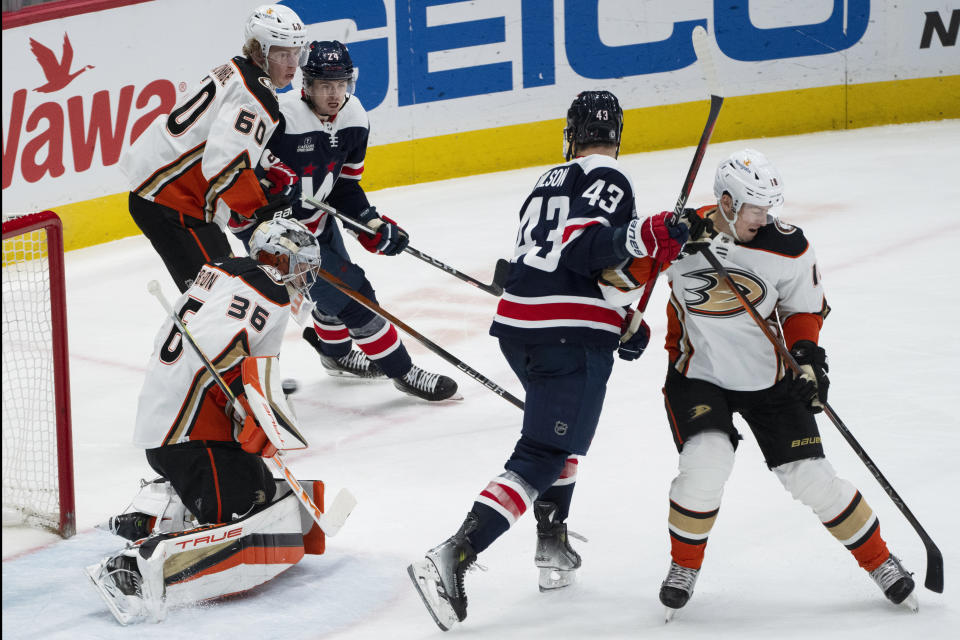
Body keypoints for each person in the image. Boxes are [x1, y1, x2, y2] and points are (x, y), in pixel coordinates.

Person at [406, 90, 690, 631]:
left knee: (558, 437)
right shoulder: (611, 178)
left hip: (520, 328)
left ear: (571, 133)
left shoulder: (547, 179)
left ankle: (552, 547)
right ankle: (451, 556)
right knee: (542, 451)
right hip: (565, 336)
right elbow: (589, 252)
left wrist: (624, 318)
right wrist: (645, 235)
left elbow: (577, 272)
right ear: (617, 136)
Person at [640, 149, 918, 618]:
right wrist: (653, 258)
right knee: (706, 465)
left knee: (812, 478)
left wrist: (808, 359)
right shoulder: (679, 238)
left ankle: (881, 562)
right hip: (698, 375)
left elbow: (803, 307)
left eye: (768, 208)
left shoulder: (787, 246)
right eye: (754, 208)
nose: (763, 217)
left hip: (769, 377)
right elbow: (620, 278)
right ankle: (683, 566)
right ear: (726, 202)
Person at [86, 218, 327, 625]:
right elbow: (223, 353)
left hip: (171, 425)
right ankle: (128, 569)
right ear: (277, 259)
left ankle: (147, 517)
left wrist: (251, 405)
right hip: (191, 432)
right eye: (300, 266)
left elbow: (215, 347)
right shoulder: (268, 290)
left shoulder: (223, 270)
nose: (305, 277)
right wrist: (249, 408)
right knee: (243, 512)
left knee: (261, 492)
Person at [231, 40, 458, 402]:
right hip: (275, 234)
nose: (334, 94)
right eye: (324, 85)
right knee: (354, 296)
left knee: (331, 297)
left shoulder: (355, 119)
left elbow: (345, 188)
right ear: (306, 84)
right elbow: (238, 173)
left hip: (317, 223)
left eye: (341, 84)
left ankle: (335, 357)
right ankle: (402, 371)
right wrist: (269, 193)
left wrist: (369, 222)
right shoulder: (279, 118)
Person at [120, 4, 307, 293]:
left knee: (223, 300)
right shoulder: (258, 96)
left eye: (297, 53)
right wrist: (264, 210)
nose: (293, 64)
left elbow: (217, 135)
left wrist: (267, 164)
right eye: (283, 54)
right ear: (259, 51)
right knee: (220, 303)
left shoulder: (236, 69)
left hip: (166, 194)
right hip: (174, 203)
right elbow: (223, 164)